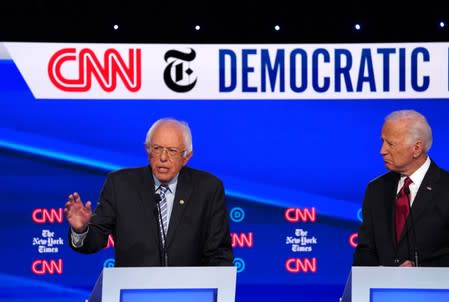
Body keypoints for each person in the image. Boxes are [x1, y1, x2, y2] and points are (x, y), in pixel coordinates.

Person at [64, 117, 234, 267]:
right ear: (147, 149)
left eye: (172, 151)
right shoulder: (121, 184)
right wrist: (81, 231)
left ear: (187, 156)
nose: (163, 157)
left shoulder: (207, 188)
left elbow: (219, 254)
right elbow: (94, 242)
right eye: (157, 148)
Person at [353, 109, 449, 267]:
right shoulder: (376, 189)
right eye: (382, 141)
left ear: (416, 148)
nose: (382, 151)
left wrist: (420, 270)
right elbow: (365, 250)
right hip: (382, 290)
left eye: (390, 144)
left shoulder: (445, 188)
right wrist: (376, 272)